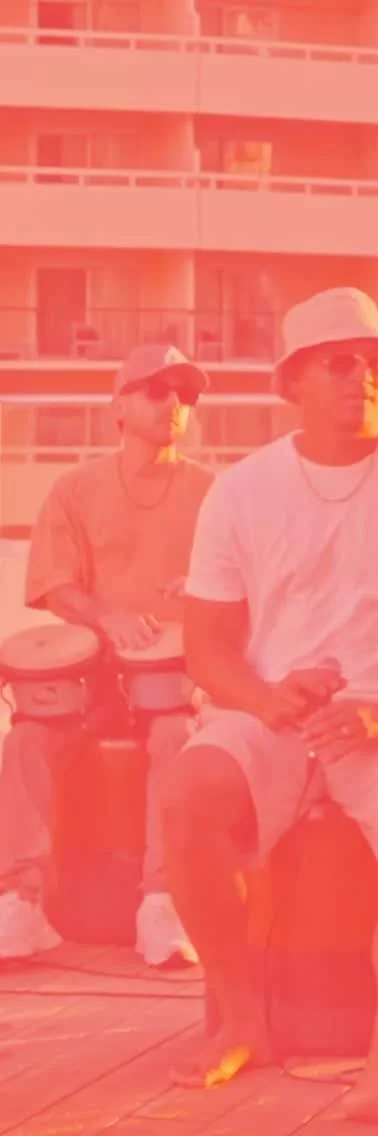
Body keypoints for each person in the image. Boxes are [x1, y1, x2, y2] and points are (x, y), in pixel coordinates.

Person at [161, 287, 378, 1129]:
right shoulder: (242, 492)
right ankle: (241, 1020)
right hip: (272, 712)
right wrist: (267, 697)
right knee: (186, 793)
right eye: (341, 362)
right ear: (293, 382)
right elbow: (207, 645)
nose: (366, 375)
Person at [0, 343, 213, 967]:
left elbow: (247, 586)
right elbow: (54, 586)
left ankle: (161, 904)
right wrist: (107, 617)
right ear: (119, 407)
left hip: (181, 681)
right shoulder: (75, 488)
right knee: (25, 738)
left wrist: (204, 593)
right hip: (88, 678)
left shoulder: (214, 493)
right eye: (156, 390)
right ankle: (22, 903)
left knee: (176, 736)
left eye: (184, 394)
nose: (173, 403)